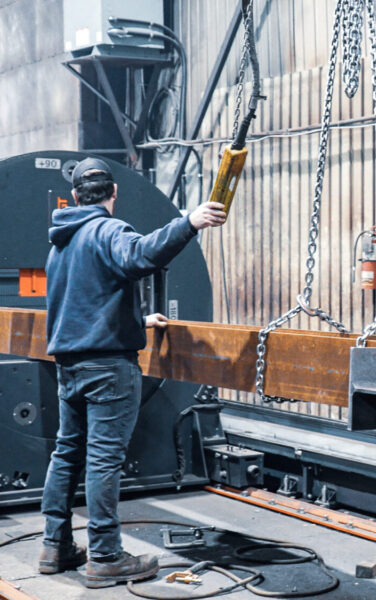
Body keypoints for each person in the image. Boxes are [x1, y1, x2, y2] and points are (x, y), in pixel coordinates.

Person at [38, 157, 227, 588]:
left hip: (70, 366)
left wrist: (135, 320)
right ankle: (106, 556)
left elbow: (79, 303)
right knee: (103, 460)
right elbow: (140, 256)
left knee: (67, 454)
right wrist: (189, 222)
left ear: (75, 196)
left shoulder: (60, 244)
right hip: (108, 367)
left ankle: (55, 545)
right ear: (114, 193)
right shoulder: (108, 230)